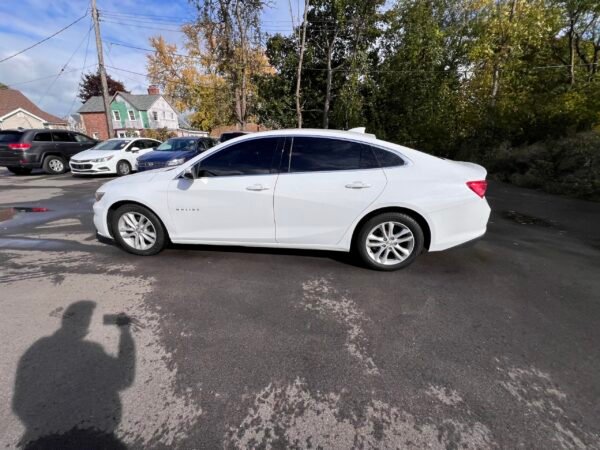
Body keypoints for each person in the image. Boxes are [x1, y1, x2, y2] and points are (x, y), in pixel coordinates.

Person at [12, 301, 135, 449]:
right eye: (87, 317)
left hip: (44, 439)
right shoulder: (91, 350)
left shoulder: (37, 349)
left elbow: (19, 402)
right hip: (93, 438)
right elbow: (123, 377)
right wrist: (125, 333)